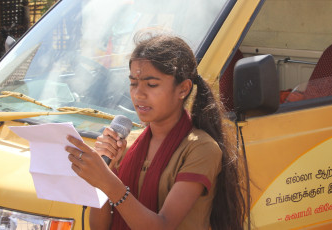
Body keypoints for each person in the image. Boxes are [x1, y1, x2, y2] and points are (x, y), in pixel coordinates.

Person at [66, 33, 247, 230]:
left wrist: (109, 183)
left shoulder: (201, 148)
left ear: (183, 89)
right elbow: (99, 227)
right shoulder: (128, 143)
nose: (138, 94)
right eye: (133, 83)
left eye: (151, 84)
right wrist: (104, 172)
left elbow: (163, 226)